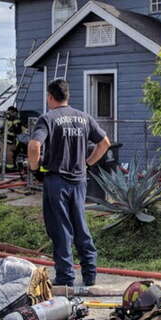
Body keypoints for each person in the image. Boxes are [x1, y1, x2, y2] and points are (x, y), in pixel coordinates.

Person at [28, 79, 110, 288]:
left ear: (50, 97)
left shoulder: (48, 119)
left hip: (56, 181)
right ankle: (90, 274)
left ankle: (65, 277)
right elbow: (105, 143)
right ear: (67, 96)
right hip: (79, 180)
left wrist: (35, 169)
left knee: (61, 229)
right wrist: (87, 163)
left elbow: (34, 146)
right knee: (81, 225)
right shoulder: (84, 118)